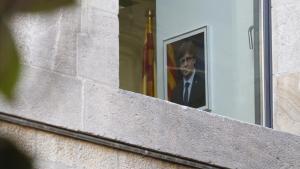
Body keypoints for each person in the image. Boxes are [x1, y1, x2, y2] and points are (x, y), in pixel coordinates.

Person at [171, 41, 206, 108]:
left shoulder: (204, 84)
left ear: (194, 60)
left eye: (188, 59)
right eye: (182, 61)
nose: (185, 64)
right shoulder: (176, 92)